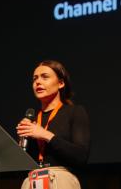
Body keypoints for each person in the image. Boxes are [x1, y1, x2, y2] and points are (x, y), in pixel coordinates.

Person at [16, 59, 90, 189]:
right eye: (35, 79)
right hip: (32, 180)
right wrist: (20, 143)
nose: (38, 82)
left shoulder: (74, 112)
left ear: (61, 83)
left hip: (61, 180)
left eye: (45, 77)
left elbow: (81, 156)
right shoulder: (32, 121)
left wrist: (46, 135)